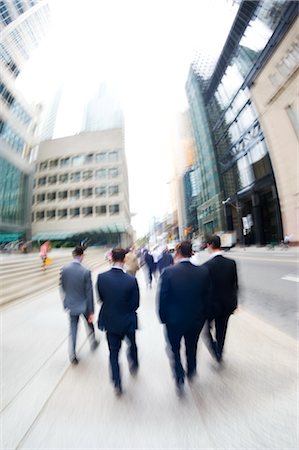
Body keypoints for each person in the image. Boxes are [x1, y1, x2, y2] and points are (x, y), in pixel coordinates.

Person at [157, 240, 212, 394]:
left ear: (178, 253)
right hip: (195, 319)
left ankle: (179, 376)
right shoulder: (203, 272)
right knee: (192, 347)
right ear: (191, 253)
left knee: (174, 349)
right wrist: (205, 317)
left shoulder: (168, 272)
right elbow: (207, 297)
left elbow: (163, 298)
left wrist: (163, 317)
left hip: (174, 320)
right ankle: (191, 370)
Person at [97, 248, 140, 395]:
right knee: (132, 344)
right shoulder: (131, 280)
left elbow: (101, 299)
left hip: (110, 321)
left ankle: (117, 382)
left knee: (113, 353)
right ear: (124, 260)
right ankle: (134, 363)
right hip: (127, 320)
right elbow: (136, 304)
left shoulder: (101, 278)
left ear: (111, 259)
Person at [60, 246, 99, 365]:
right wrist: (91, 311)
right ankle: (93, 342)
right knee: (89, 324)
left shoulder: (64, 269)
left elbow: (62, 287)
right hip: (84, 305)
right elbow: (89, 292)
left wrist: (66, 302)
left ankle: (72, 354)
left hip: (71, 304)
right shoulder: (85, 271)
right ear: (82, 255)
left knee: (73, 330)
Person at [202, 235, 238, 363]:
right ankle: (220, 353)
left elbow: (204, 289)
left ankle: (215, 351)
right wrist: (235, 304)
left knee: (206, 331)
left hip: (212, 306)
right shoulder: (231, 263)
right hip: (227, 304)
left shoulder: (206, 266)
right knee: (222, 330)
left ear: (210, 245)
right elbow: (235, 285)